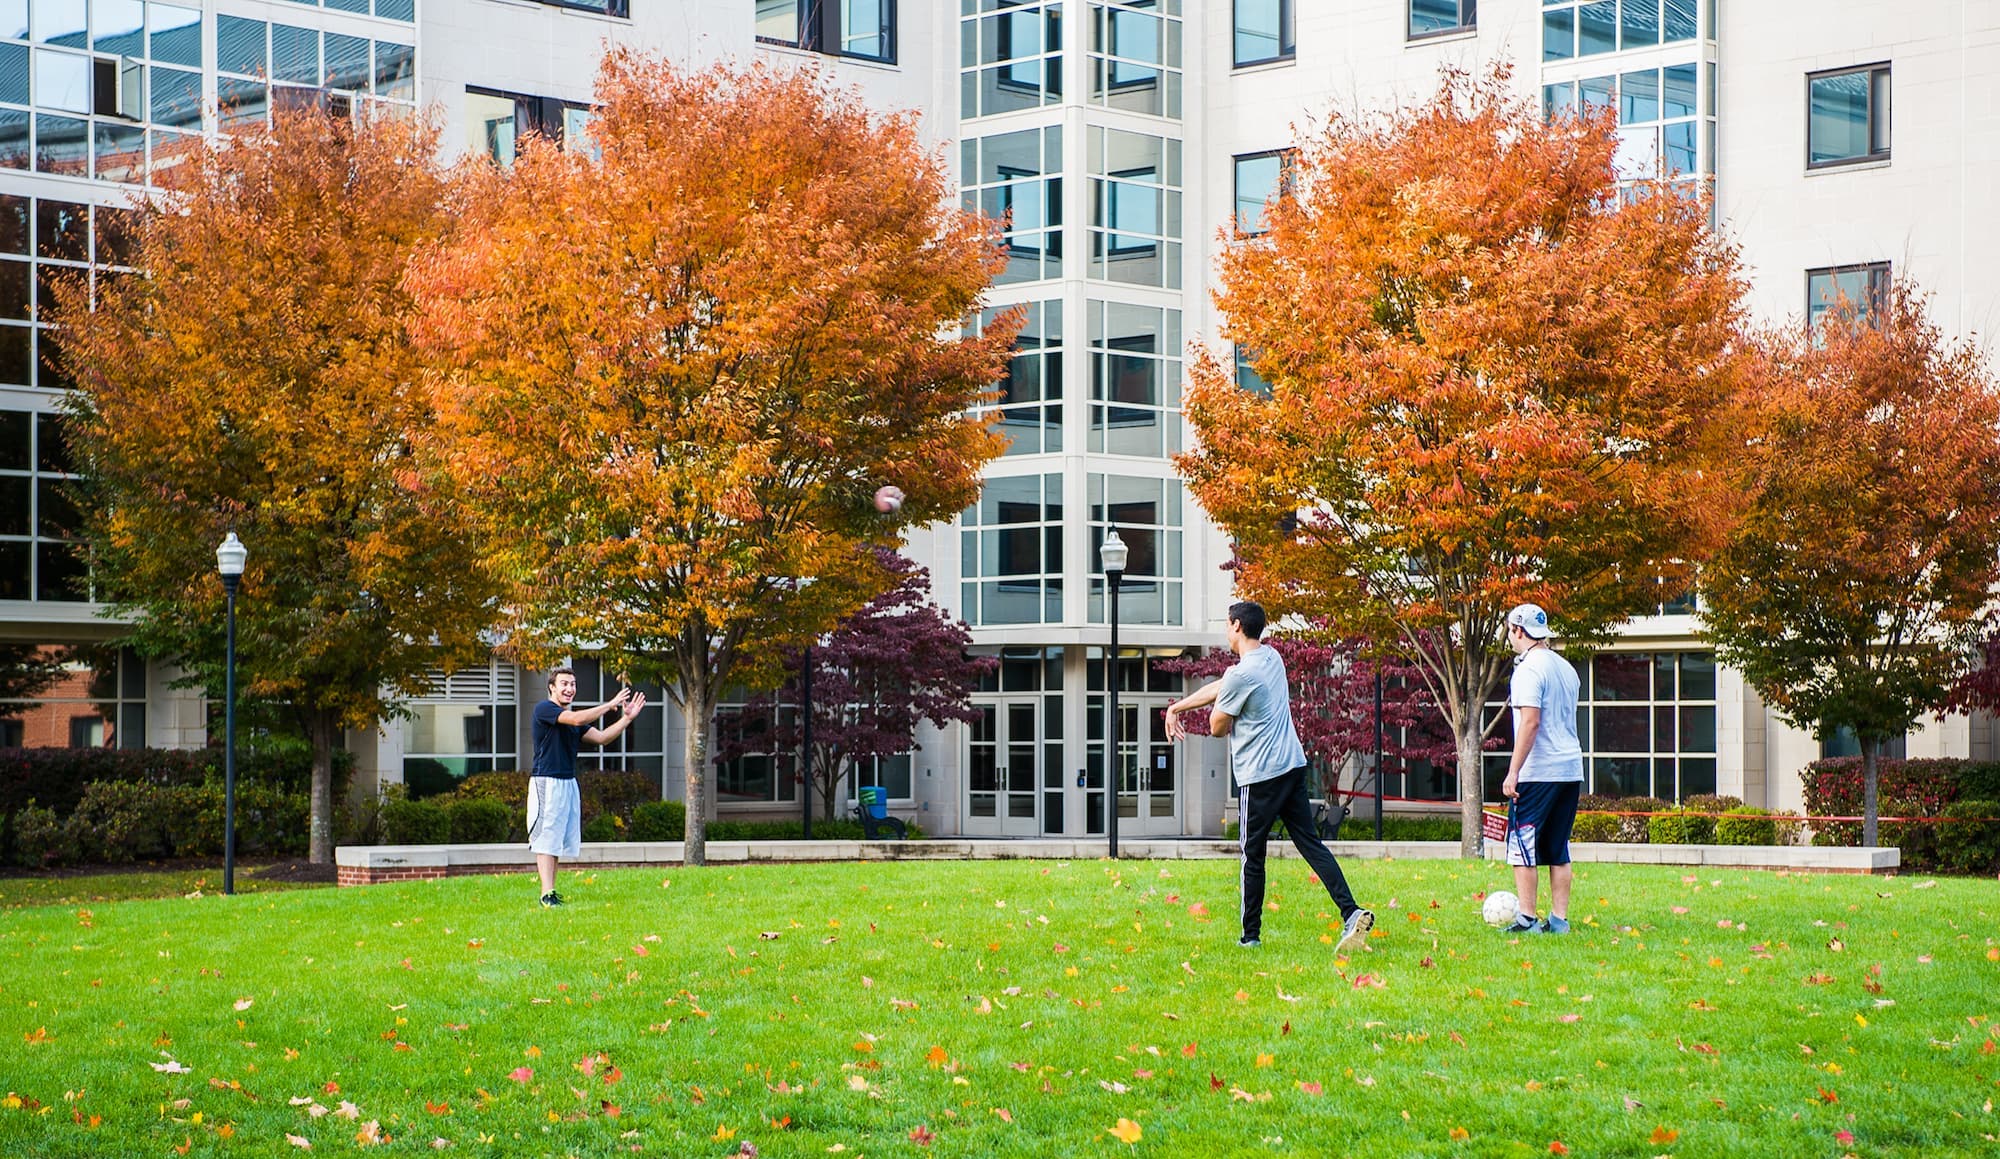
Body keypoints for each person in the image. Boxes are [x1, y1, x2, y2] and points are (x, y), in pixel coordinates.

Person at [1165, 601, 1375, 954]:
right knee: (1311, 844)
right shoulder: (1271, 658)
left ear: (1236, 625)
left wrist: (1223, 709)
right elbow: (1223, 687)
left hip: (1260, 776)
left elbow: (1218, 726)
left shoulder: (1241, 675)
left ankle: (1250, 937)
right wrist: (1177, 707)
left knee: (1252, 856)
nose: (1225, 630)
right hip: (1291, 767)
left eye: (1226, 624)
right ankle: (1351, 911)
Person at [529, 668, 647, 907]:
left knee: (557, 840)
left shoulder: (574, 719)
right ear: (552, 687)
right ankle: (546, 894)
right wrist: (610, 705)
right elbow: (576, 719)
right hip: (546, 782)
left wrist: (627, 718)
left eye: (572, 684)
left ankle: (551, 892)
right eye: (564, 684)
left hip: (568, 783)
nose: (569, 688)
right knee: (546, 838)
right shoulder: (544, 709)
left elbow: (602, 738)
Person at [1499, 603, 1584, 934]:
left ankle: (1527, 918)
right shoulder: (1566, 669)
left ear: (1519, 630)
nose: (1509, 637)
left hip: (1539, 771)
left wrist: (1513, 771)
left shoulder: (1528, 670)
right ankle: (1559, 920)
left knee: (1522, 844)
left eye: (1510, 630)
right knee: (1558, 847)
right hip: (1569, 769)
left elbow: (1531, 722)